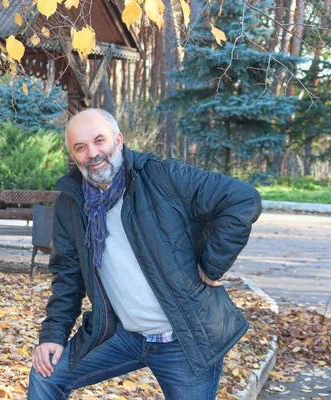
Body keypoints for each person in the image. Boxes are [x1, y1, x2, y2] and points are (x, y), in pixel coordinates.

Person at [28, 108, 262, 399]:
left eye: (99, 141)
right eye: (81, 147)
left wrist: (212, 265)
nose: (92, 153)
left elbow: (243, 199)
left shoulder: (162, 176)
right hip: (120, 334)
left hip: (185, 339)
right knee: (46, 376)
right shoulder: (71, 203)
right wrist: (53, 335)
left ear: (119, 140)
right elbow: (68, 276)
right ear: (74, 156)